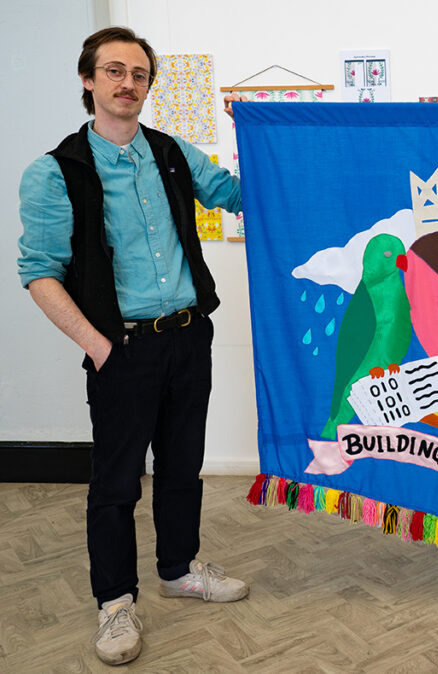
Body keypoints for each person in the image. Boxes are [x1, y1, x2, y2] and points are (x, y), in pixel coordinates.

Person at [18, 27, 249, 665]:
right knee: (116, 484)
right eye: (114, 71)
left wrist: (260, 133)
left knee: (182, 466)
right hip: (119, 349)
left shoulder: (172, 154)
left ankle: (179, 569)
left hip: (186, 337)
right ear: (88, 81)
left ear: (149, 85)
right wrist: (98, 348)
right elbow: (39, 272)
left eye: (139, 74)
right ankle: (116, 603)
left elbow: (237, 196)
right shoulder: (56, 171)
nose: (128, 83)